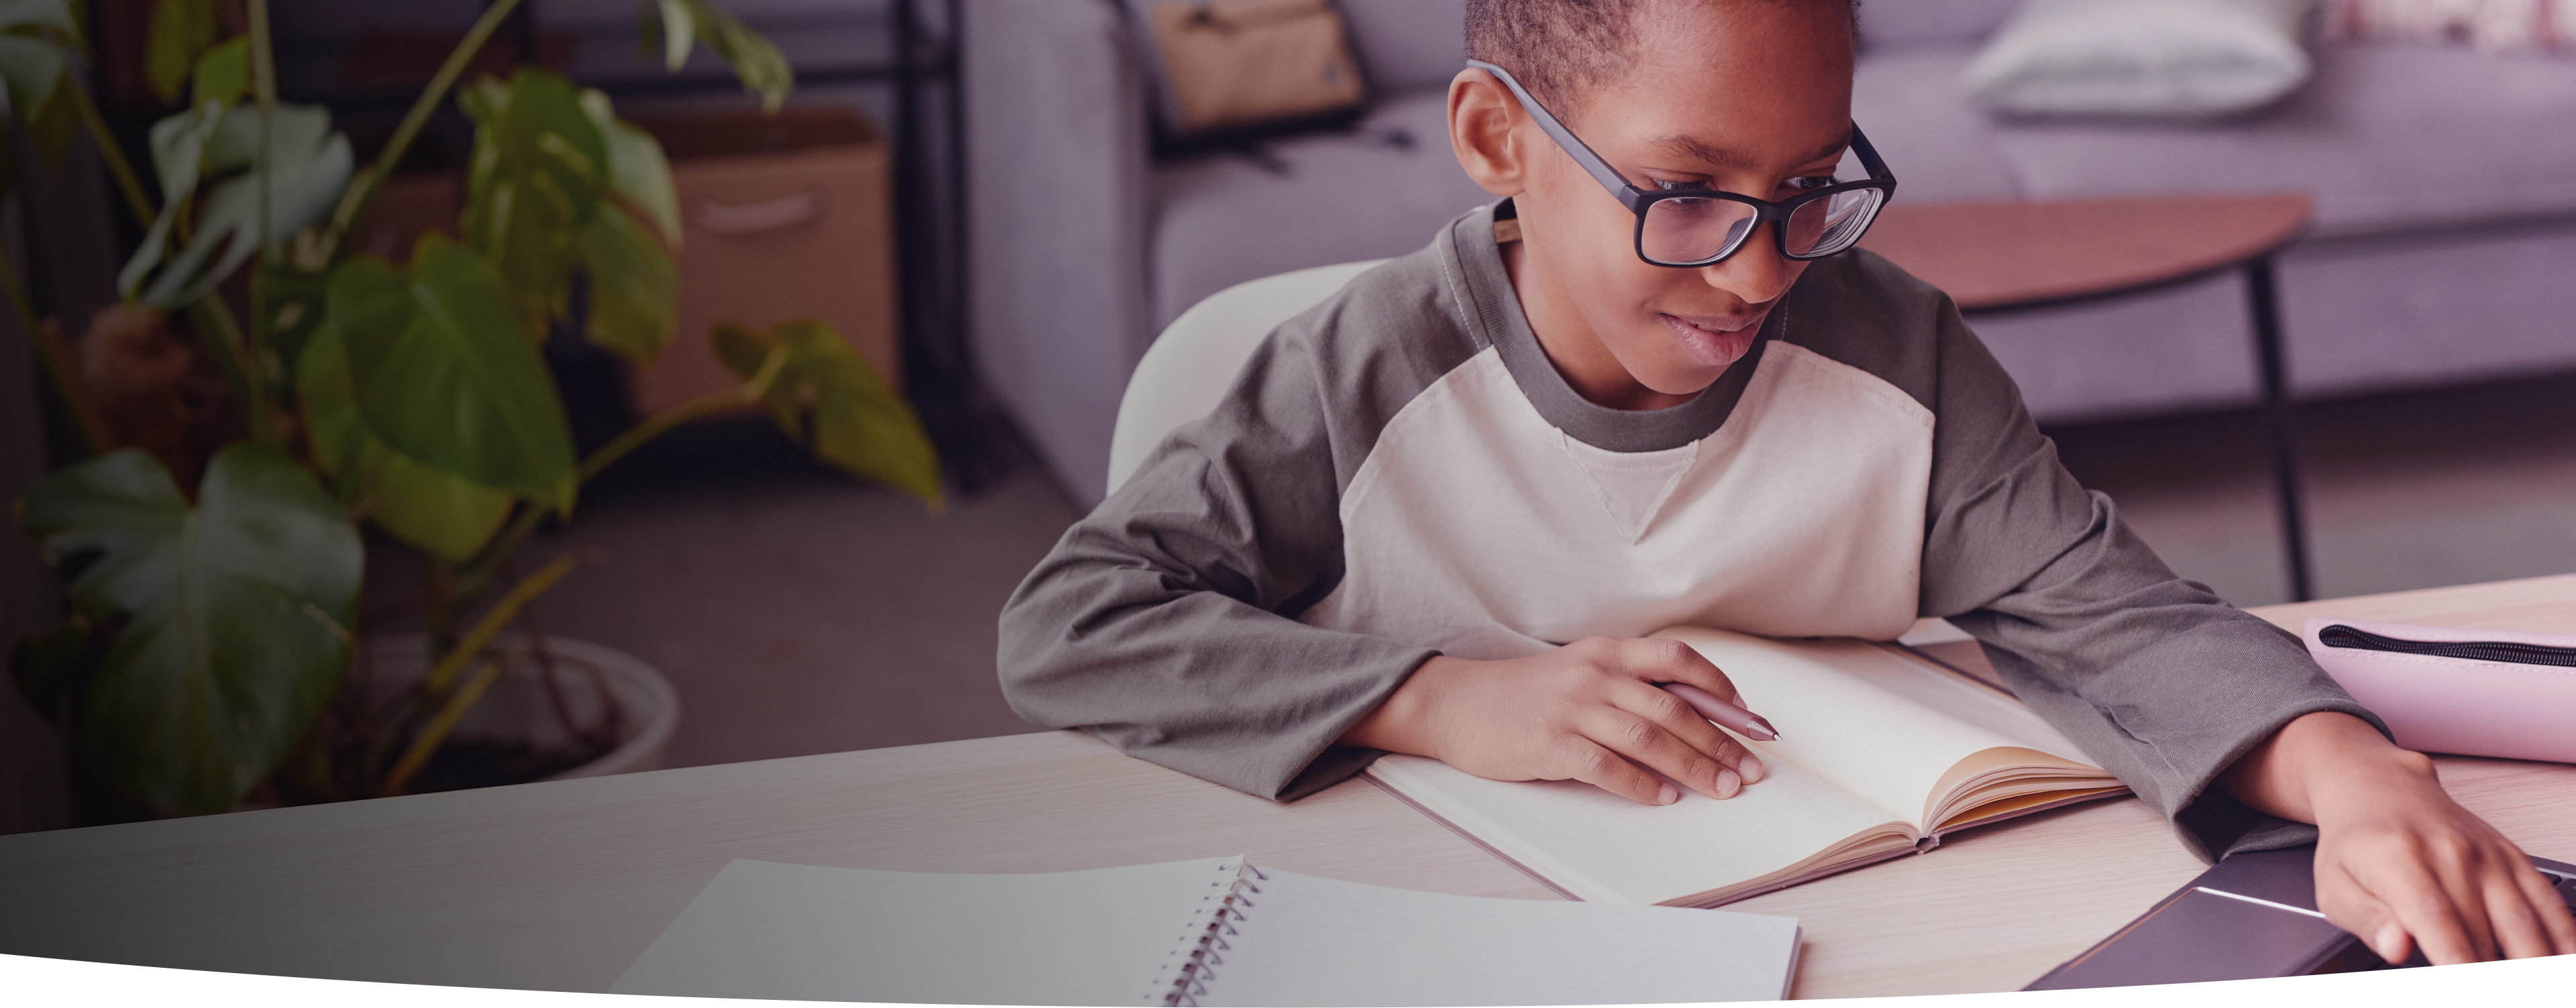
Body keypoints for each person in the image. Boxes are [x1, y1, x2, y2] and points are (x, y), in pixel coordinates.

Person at [997, 0, 2575, 965]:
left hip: (1833, 919)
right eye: (1684, 194)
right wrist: (1438, 699)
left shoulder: (1896, 355)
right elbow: (1074, 623)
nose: (1757, 270)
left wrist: (2364, 777)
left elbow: (2115, 612)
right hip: (1420, 919)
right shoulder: (1355, 370)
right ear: (1497, 137)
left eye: (1812, 187)